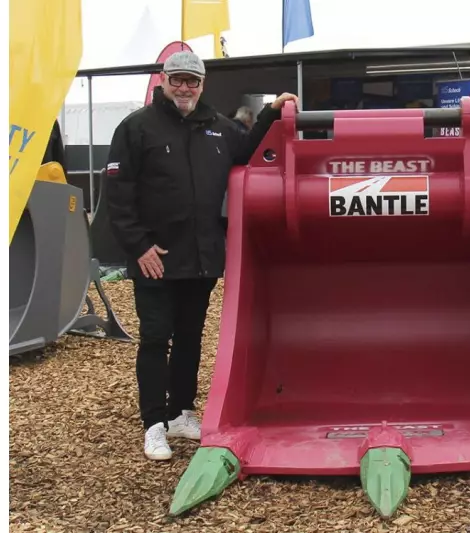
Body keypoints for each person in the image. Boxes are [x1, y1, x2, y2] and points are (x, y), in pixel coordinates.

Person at [105, 50, 298, 460]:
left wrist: (272, 113)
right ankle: (154, 424)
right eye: (177, 79)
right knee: (157, 338)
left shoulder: (218, 128)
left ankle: (180, 412)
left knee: (190, 337)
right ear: (163, 79)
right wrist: (138, 246)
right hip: (154, 258)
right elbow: (117, 195)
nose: (184, 87)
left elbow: (248, 151)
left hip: (201, 257)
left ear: (202, 85)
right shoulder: (136, 128)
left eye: (192, 81)